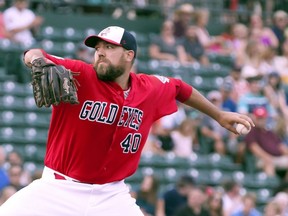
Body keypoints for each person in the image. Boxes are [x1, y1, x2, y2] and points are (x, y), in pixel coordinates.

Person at [0, 25, 254, 216]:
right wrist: (37, 60)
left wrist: (219, 115)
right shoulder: (81, 74)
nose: (100, 53)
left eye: (109, 48)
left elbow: (179, 88)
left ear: (129, 55)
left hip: (111, 194)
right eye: (97, 48)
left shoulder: (149, 88)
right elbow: (34, 52)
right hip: (58, 189)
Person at [244, 106, 288, 178]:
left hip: (276, 158)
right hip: (261, 159)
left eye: (262, 118)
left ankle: (285, 187)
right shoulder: (252, 132)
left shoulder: (270, 133)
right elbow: (254, 148)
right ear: (255, 118)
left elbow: (281, 146)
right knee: (269, 163)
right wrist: (268, 158)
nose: (260, 120)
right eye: (258, 118)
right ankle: (271, 187)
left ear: (265, 118)